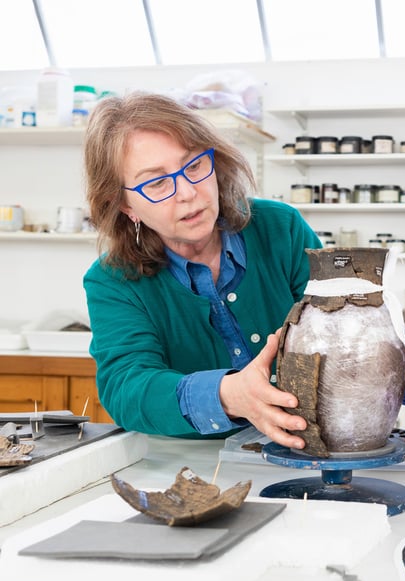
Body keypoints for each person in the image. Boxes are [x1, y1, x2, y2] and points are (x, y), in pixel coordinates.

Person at [83, 92, 320, 448]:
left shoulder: (281, 228)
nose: (188, 193)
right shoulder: (113, 280)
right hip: (191, 469)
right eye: (157, 182)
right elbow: (126, 388)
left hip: (308, 451)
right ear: (124, 205)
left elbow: (339, 323)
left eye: (194, 165)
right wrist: (227, 394)